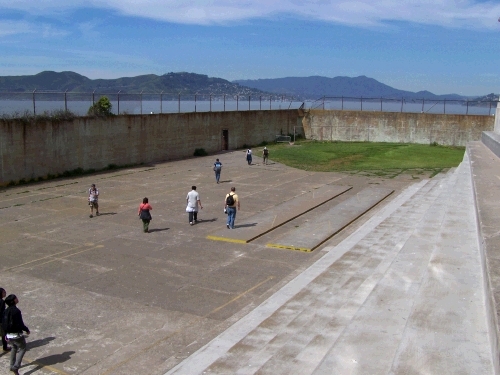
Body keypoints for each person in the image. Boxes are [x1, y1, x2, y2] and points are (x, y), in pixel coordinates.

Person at [3, 294, 30, 375]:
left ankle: (11, 365)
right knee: (22, 348)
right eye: (15, 298)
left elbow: (4, 323)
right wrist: (26, 330)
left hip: (9, 335)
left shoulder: (6, 310)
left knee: (14, 348)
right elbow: (20, 323)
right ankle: (16, 367)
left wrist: (5, 335)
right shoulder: (16, 311)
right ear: (13, 301)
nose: (17, 299)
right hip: (16, 334)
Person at [0, 288, 10, 352]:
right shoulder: (2, 302)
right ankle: (5, 347)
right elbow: (1, 312)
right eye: (3, 292)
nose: (5, 293)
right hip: (0, 321)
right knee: (4, 335)